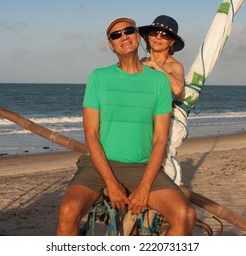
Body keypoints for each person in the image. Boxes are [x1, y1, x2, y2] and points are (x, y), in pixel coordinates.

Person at [55, 17, 196, 236]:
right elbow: (91, 134)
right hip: (99, 165)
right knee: (67, 210)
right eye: (116, 35)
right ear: (111, 45)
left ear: (138, 36)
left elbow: (160, 138)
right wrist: (111, 183)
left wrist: (145, 186)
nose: (123, 37)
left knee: (185, 215)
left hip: (142, 167)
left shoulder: (159, 80)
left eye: (128, 31)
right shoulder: (98, 77)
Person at [138, 15, 188, 186]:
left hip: (159, 126)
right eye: (155, 32)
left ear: (171, 41)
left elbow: (178, 89)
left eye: (165, 34)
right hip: (138, 123)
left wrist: (156, 67)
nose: (159, 37)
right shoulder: (139, 63)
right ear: (147, 36)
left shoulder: (175, 66)